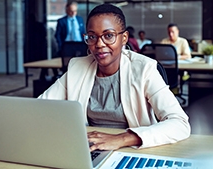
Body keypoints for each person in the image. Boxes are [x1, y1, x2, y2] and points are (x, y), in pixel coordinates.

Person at [39, 4, 190, 151]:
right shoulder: (78, 67)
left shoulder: (144, 69)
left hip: (134, 149)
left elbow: (180, 123)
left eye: (108, 35)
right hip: (90, 148)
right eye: (92, 36)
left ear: (124, 38)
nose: (99, 44)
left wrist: (121, 139)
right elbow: (39, 107)